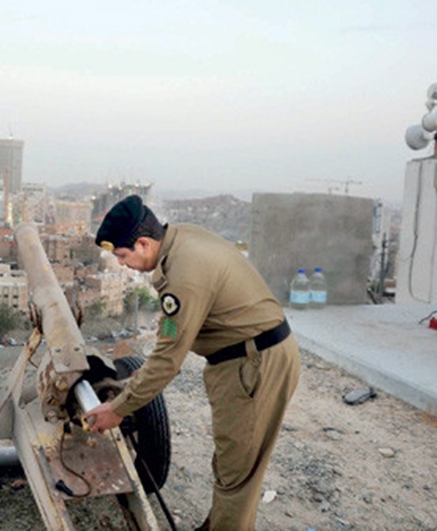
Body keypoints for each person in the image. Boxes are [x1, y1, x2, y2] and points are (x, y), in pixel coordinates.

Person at [85, 195, 300, 531]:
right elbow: (173, 328)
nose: (122, 264)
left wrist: (119, 408)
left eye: (123, 256)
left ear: (143, 242)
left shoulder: (184, 272)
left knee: (237, 475)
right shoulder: (179, 242)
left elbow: (170, 358)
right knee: (232, 462)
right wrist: (152, 367)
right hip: (247, 358)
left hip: (253, 364)